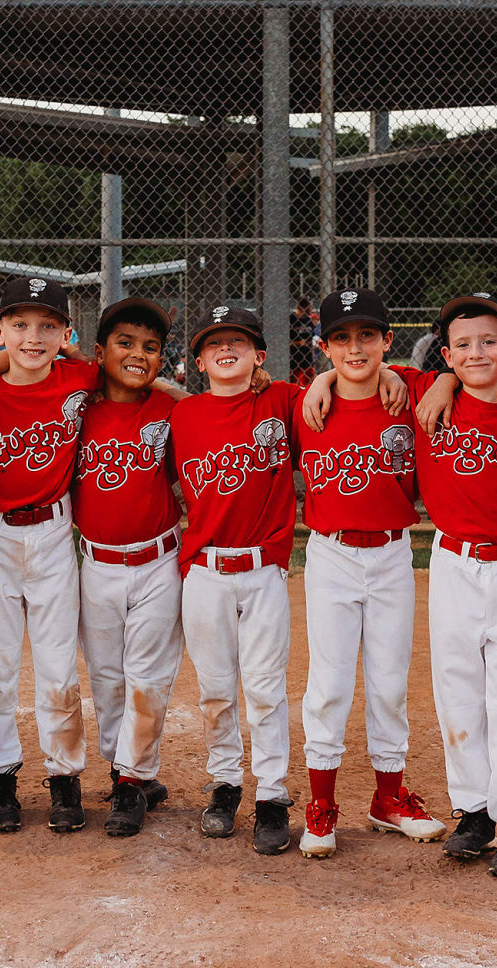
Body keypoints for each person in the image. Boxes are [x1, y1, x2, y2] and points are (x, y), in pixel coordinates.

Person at [293, 288, 446, 858]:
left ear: (387, 339)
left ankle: (387, 799)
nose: (354, 348)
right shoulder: (303, 403)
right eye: (340, 338)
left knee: (389, 680)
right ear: (324, 346)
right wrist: (320, 382)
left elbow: (457, 373)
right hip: (330, 556)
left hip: (392, 555)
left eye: (366, 335)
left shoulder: (410, 393)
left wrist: (442, 380)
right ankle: (322, 804)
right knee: (328, 684)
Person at [405, 293, 497, 879]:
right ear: (445, 354)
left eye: (490, 341)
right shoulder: (420, 393)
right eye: (462, 345)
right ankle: (473, 808)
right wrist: (440, 382)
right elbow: (355, 370)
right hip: (453, 561)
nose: (476, 352)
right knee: (457, 686)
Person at [0, 278, 101, 833]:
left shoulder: (81, 379)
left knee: (58, 662)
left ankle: (64, 778)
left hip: (53, 534)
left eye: (47, 325)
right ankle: (0, 775)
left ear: (66, 334)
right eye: (19, 325)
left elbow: (135, 375)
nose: (32, 336)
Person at [167, 306, 303, 855]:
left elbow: (344, 382)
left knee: (267, 690)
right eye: (214, 344)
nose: (227, 350)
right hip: (204, 572)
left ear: (259, 356)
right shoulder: (183, 415)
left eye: (239, 342)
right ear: (198, 361)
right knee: (216, 691)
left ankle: (272, 794)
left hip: (264, 570)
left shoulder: (282, 401)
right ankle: (225, 784)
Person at [72, 298, 186, 837]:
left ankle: (129, 780)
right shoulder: (79, 408)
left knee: (147, 677)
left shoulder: (168, 409)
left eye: (150, 347)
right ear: (100, 352)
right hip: (95, 564)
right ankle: (129, 769)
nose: (138, 354)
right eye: (125, 343)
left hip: (158, 560)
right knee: (107, 678)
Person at [289, 297, 318, 386]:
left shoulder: (309, 321)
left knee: (308, 385)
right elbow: (283, 342)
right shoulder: (291, 319)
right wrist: (298, 343)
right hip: (293, 359)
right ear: (302, 308)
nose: (311, 309)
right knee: (294, 385)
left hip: (307, 359)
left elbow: (312, 337)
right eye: (309, 307)